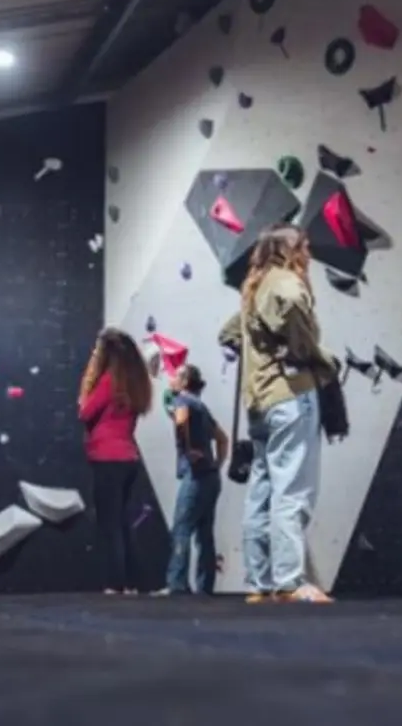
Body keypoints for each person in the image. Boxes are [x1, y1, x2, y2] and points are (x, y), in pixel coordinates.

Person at [217, 225, 335, 604]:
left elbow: (228, 334)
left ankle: (259, 582)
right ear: (291, 249)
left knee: (262, 489)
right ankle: (288, 581)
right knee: (292, 488)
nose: (310, 254)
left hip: (260, 403)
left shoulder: (253, 287)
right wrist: (314, 356)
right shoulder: (283, 281)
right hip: (290, 396)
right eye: (305, 246)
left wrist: (266, 351)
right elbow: (292, 306)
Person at [78, 328, 151, 595]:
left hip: (107, 458)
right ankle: (133, 582)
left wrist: (88, 381)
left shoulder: (108, 381)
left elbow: (85, 412)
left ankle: (115, 583)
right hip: (128, 457)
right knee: (121, 523)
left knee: (110, 525)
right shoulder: (132, 383)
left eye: (97, 351)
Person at [156, 364, 228, 596]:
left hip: (195, 475)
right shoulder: (201, 407)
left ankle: (177, 585)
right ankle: (205, 588)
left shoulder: (184, 402)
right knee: (205, 533)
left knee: (182, 528)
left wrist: (187, 450)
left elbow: (179, 422)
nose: (172, 378)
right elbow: (223, 438)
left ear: (186, 381)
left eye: (176, 375)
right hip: (211, 477)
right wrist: (218, 464)